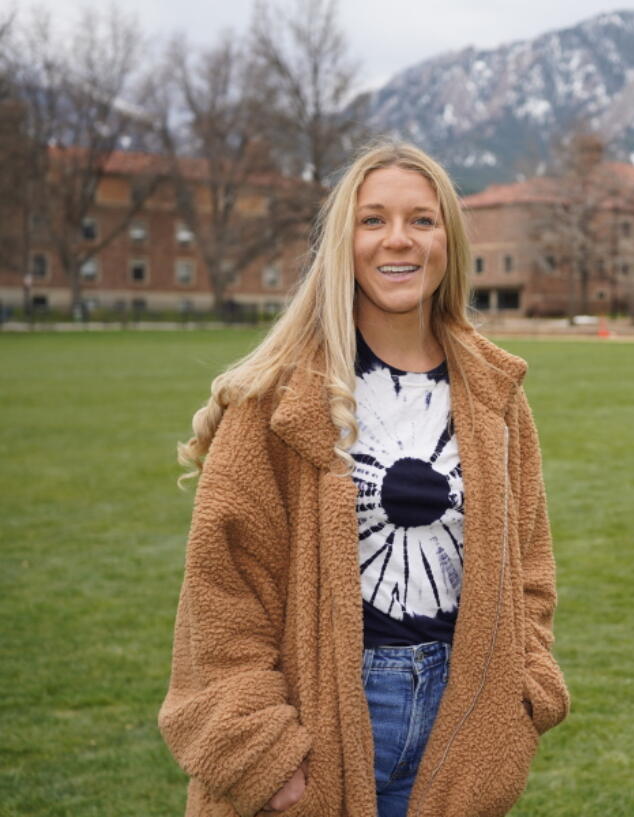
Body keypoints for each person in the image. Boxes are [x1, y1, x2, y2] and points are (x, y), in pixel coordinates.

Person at [159, 140, 569, 817]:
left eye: (421, 220)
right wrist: (264, 754)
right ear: (342, 241)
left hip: (459, 718)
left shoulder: (495, 394)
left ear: (449, 240)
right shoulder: (279, 397)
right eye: (373, 220)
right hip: (319, 722)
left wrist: (524, 693)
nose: (397, 240)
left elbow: (530, 564)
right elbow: (223, 595)